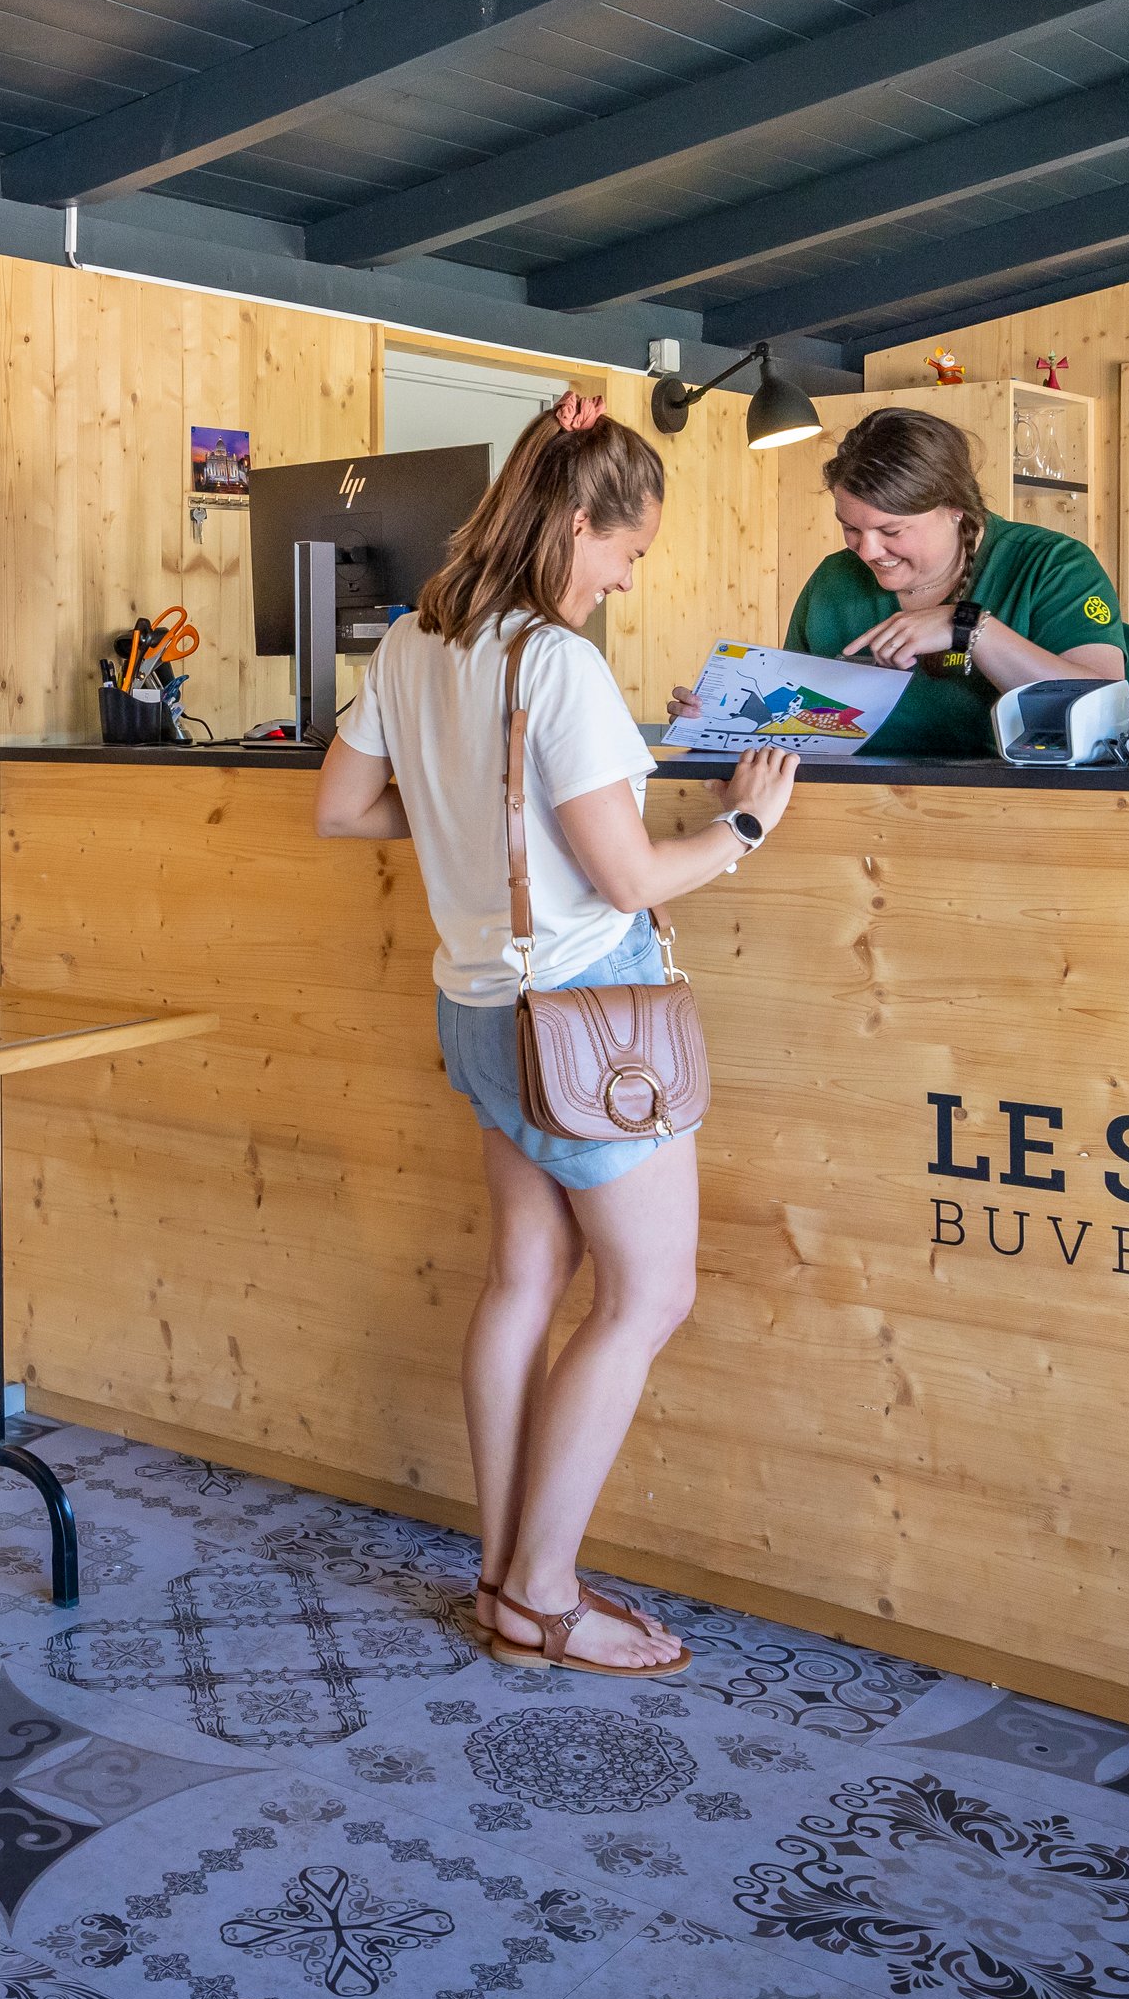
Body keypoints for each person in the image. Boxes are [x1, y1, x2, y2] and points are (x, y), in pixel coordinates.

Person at [314, 393, 797, 1676]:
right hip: (585, 1021)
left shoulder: (418, 641)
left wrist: (479, 828)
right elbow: (630, 878)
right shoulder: (560, 663)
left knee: (525, 1279)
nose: (626, 579)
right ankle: (543, 1589)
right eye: (624, 552)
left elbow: (343, 808)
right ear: (575, 521)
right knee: (649, 1291)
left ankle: (497, 1575)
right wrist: (742, 828)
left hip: (477, 1009)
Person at [687, 406, 1129, 756]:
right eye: (851, 528)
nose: (867, 551)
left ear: (956, 510)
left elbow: (1102, 700)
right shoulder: (832, 583)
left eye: (891, 530)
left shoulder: (1052, 564)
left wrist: (970, 628)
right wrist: (721, 718)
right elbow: (793, 719)